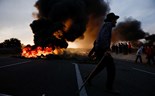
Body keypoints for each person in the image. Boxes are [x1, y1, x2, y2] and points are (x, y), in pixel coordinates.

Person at [86, 12, 120, 94]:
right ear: (112, 20)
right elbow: (104, 37)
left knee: (100, 67)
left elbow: (101, 38)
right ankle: (109, 88)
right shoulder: (108, 25)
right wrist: (106, 49)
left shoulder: (106, 25)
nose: (116, 21)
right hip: (102, 49)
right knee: (111, 68)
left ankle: (88, 78)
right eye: (115, 20)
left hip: (100, 49)